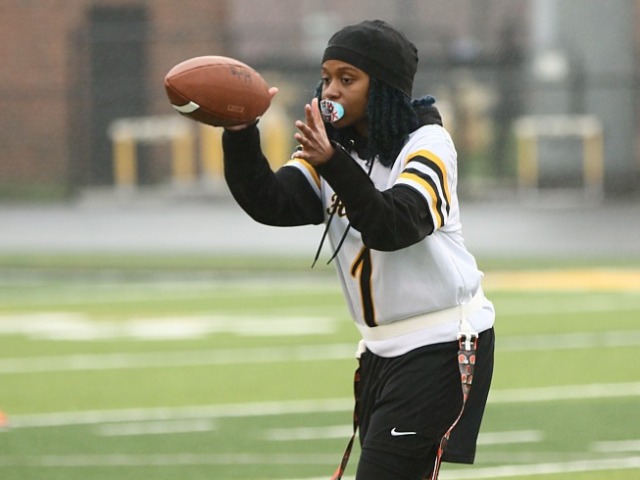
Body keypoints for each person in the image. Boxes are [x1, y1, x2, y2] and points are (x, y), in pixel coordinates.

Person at [222, 19, 495, 480]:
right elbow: (270, 202)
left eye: (347, 79)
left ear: (383, 87)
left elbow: (393, 226)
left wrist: (332, 163)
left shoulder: (427, 144)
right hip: (379, 350)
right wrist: (240, 131)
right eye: (326, 77)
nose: (331, 90)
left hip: (442, 342)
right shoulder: (336, 150)